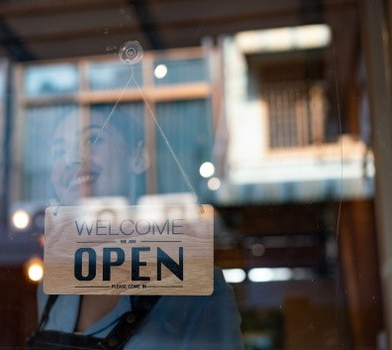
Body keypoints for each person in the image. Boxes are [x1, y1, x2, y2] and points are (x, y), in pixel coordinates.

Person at [29, 107, 243, 349]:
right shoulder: (52, 286)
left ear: (139, 156)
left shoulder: (198, 290)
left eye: (92, 140)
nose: (70, 159)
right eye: (59, 151)